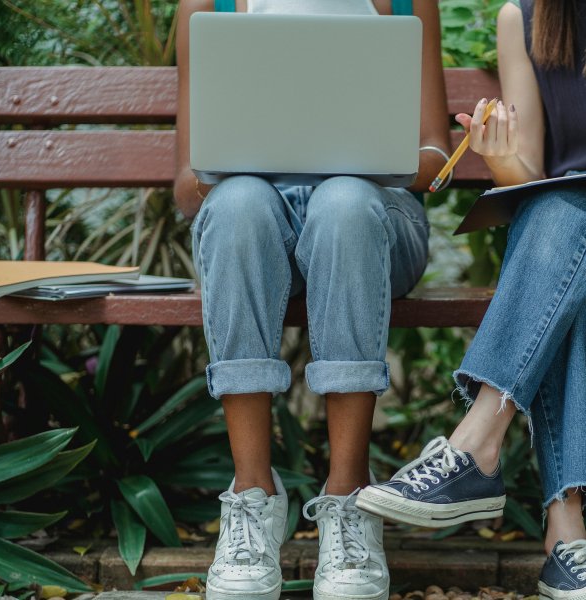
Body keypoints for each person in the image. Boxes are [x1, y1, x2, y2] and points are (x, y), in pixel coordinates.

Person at [356, 0, 586, 598]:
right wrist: (501, 156)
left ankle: (476, 444)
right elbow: (526, 174)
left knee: (558, 220)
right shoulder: (521, 16)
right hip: (570, 246)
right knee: (569, 261)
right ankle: (568, 543)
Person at [173, 2, 450, 600]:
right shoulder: (212, 7)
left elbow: (433, 151)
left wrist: (376, 162)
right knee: (239, 206)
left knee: (343, 203)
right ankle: (253, 498)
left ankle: (349, 502)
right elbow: (185, 182)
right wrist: (237, 164)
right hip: (257, 223)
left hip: (374, 221)